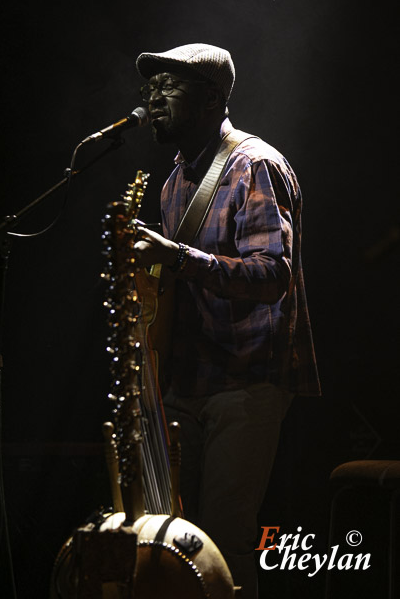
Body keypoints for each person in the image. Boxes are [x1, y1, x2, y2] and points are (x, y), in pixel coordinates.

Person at [133, 43, 320, 599]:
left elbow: (272, 276)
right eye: (151, 86)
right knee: (175, 545)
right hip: (187, 381)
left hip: (246, 379)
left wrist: (177, 258)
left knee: (225, 542)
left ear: (213, 98)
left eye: (171, 85)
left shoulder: (253, 165)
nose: (153, 96)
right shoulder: (172, 184)